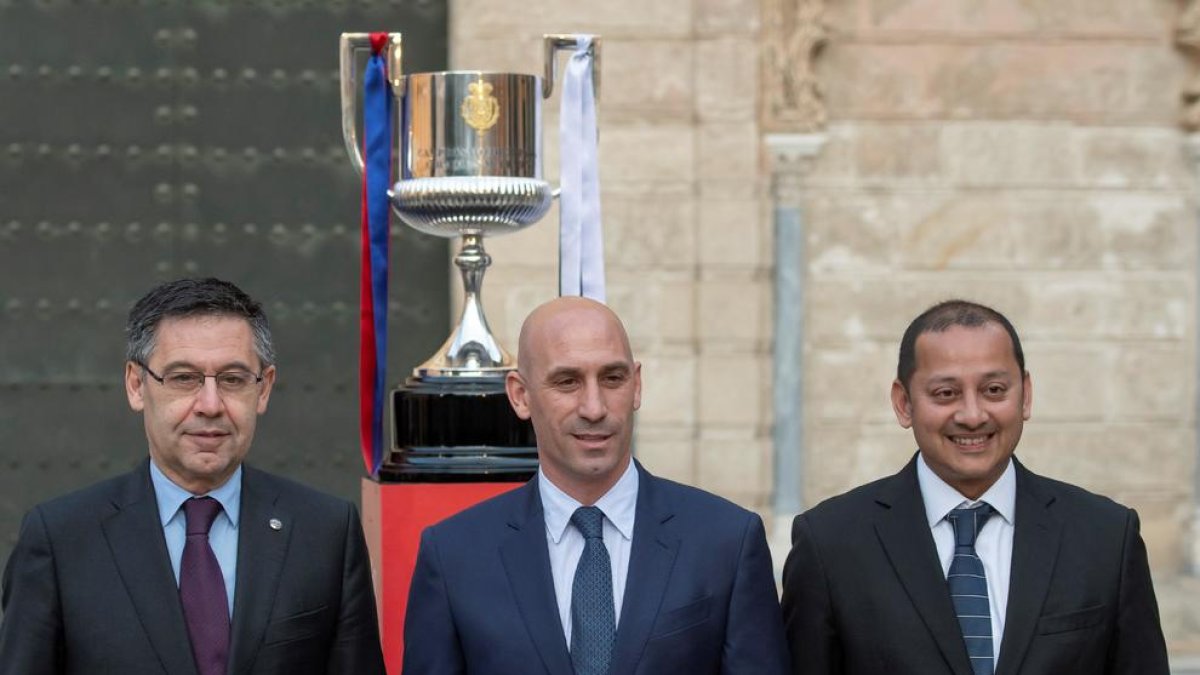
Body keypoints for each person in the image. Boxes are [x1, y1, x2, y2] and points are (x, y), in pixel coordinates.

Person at [0, 278, 386, 675]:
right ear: (136, 385)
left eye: (233, 380)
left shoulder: (325, 533)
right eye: (184, 378)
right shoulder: (62, 539)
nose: (210, 404)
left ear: (264, 389)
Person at [402, 296, 790, 675]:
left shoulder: (726, 541)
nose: (594, 407)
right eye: (567, 381)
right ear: (521, 396)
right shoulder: (455, 555)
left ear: (636, 386)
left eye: (612, 378)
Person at [780, 299, 1170, 675]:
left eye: (994, 390)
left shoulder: (1106, 537)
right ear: (903, 403)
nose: (972, 415)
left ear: (1026, 395)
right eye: (945, 393)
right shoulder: (830, 543)